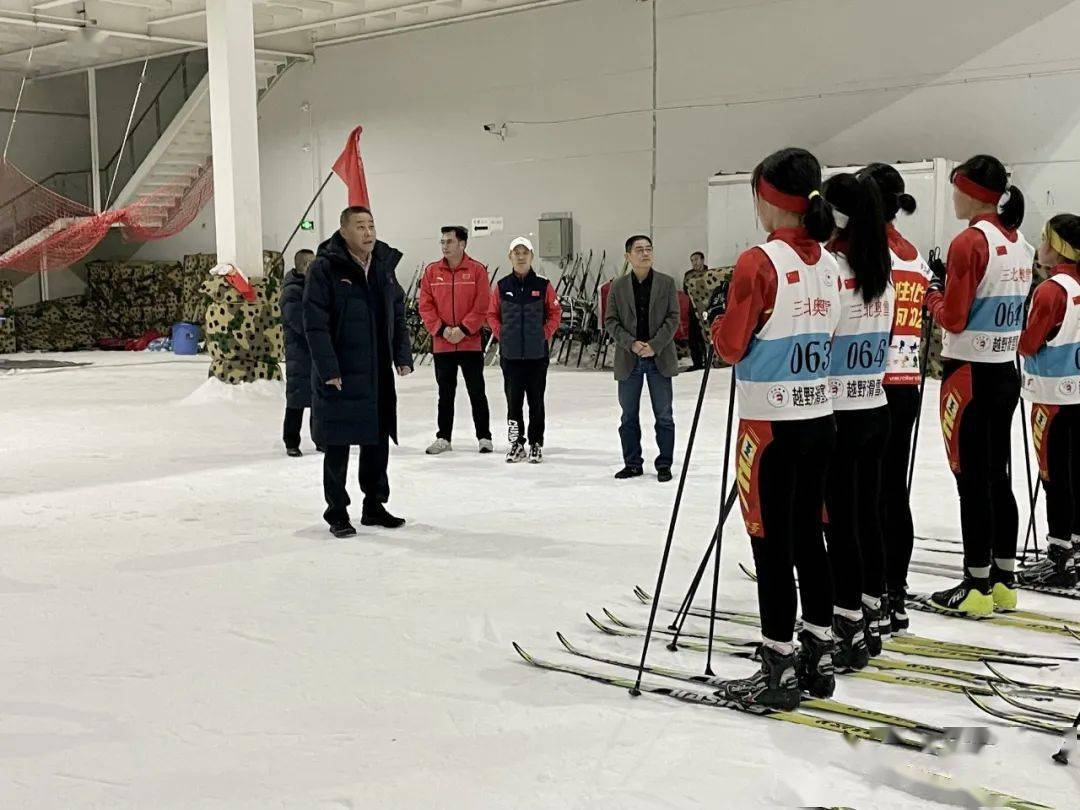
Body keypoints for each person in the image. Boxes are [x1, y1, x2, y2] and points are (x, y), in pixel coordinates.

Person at [709, 147, 841, 709]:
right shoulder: (830, 262)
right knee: (811, 536)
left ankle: (779, 664)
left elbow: (731, 344)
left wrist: (719, 321)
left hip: (769, 428)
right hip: (818, 418)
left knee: (771, 545)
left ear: (767, 199)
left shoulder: (758, 261)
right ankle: (819, 650)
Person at [924, 155, 1034, 614]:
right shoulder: (1020, 241)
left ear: (972, 192)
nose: (953, 197)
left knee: (971, 479)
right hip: (1004, 371)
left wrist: (933, 293)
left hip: (968, 372)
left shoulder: (970, 241)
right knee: (998, 475)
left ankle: (975, 585)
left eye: (956, 189)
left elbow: (954, 315)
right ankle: (1004, 578)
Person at [821, 172, 895, 668]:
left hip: (841, 413)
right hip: (874, 405)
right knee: (866, 516)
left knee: (842, 522)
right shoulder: (879, 266)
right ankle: (869, 610)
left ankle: (845, 619)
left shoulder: (833, 266)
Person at [303, 206, 414, 538]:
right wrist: (329, 368)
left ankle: (374, 506)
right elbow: (314, 323)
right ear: (344, 231)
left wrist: (401, 354)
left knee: (377, 440)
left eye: (371, 226)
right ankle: (337, 511)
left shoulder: (382, 265)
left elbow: (397, 311)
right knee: (337, 443)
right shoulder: (325, 268)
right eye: (361, 227)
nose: (368, 233)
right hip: (341, 372)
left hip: (376, 371)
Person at [856, 163, 932, 634]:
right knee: (891, 491)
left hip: (867, 385)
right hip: (905, 384)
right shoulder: (913, 254)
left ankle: (869, 595)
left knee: (860, 494)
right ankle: (893, 592)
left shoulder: (866, 250)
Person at [1018, 214, 1080, 587]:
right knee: (1075, 473)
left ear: (1056, 247)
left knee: (1053, 476)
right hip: (1077, 392)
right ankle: (1073, 546)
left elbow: (1029, 343)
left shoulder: (1052, 289)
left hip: (1052, 397)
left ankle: (1059, 557)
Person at [604, 235, 681, 482]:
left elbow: (673, 318)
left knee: (664, 415)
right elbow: (610, 321)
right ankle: (632, 463)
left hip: (659, 357)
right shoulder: (617, 286)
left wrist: (654, 345)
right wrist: (631, 344)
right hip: (629, 359)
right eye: (639, 250)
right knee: (628, 416)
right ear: (628, 256)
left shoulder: (667, 283)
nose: (645, 253)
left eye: (648, 249)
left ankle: (665, 464)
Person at [418, 226, 493, 455]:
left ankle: (484, 437)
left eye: (449, 241)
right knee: (445, 393)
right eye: (442, 242)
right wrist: (442, 330)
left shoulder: (477, 271)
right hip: (442, 344)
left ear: (462, 244)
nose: (444, 246)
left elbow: (482, 305)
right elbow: (425, 305)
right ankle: (444, 437)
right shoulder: (431, 272)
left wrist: (463, 329)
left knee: (476, 391)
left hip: (469, 343)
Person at [488, 237, 561, 463]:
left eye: (525, 252)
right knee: (513, 403)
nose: (521, 256)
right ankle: (516, 444)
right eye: (516, 252)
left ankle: (536, 443)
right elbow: (491, 315)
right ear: (510, 256)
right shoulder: (502, 286)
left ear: (531, 256)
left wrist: (543, 334)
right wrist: (503, 334)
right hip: (510, 357)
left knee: (536, 402)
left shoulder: (543, 285)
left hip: (537, 356)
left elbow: (555, 313)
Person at [281, 248, 320, 456]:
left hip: (316, 353)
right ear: (305, 266)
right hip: (299, 355)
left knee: (318, 399)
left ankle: (320, 439)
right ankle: (291, 441)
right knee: (296, 401)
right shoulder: (291, 292)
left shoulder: (313, 287)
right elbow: (300, 323)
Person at [683, 251, 710, 371]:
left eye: (696, 259)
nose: (694, 262)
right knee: (694, 338)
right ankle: (697, 362)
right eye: (692, 260)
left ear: (703, 260)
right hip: (693, 310)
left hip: (706, 309)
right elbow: (686, 291)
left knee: (707, 336)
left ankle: (709, 360)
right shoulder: (688, 275)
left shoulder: (709, 273)